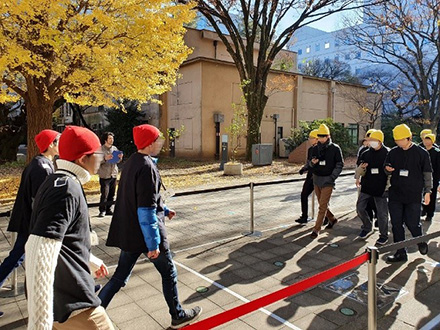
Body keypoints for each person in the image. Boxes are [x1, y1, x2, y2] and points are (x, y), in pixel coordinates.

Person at [98, 124, 202, 329]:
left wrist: (165, 208)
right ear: (149, 143)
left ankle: (94, 312)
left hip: (131, 232)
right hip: (145, 235)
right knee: (169, 272)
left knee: (119, 277)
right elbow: (145, 210)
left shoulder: (131, 163)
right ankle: (178, 315)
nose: (160, 144)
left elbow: (144, 199)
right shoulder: (146, 167)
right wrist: (153, 244)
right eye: (157, 140)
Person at [25, 126, 113, 329]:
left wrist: (88, 259)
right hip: (72, 301)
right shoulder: (65, 188)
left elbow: (59, 238)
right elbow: (38, 249)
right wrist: (40, 324)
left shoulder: (58, 181)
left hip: (62, 300)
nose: (101, 158)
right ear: (83, 159)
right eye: (98, 154)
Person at [0, 129, 59, 289]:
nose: (60, 144)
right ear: (50, 144)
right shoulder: (42, 168)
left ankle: (79, 288)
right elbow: (39, 200)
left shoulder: (39, 163)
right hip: (32, 223)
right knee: (19, 258)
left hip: (29, 221)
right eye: (57, 140)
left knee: (18, 257)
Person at [384, 124, 431, 262]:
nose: (398, 143)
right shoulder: (393, 152)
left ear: (409, 138)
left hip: (413, 194)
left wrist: (428, 192)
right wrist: (387, 169)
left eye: (401, 140)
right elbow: (386, 167)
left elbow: (427, 174)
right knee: (396, 224)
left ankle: (420, 241)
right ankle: (400, 252)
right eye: (396, 141)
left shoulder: (422, 153)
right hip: (396, 194)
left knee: (412, 223)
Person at [309, 123, 344, 239]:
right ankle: (332, 219)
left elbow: (340, 164)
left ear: (328, 136)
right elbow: (309, 163)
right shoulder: (314, 148)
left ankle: (316, 228)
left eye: (323, 136)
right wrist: (312, 163)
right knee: (321, 204)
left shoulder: (335, 148)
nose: (321, 138)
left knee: (322, 205)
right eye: (319, 136)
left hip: (328, 180)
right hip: (317, 179)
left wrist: (332, 177)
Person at [355, 130, 390, 245]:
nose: (370, 142)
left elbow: (391, 172)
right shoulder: (366, 153)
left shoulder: (388, 153)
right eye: (370, 140)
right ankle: (366, 226)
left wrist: (388, 186)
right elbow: (359, 169)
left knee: (382, 213)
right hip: (367, 186)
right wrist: (361, 170)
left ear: (380, 141)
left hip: (381, 188)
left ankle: (383, 235)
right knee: (360, 207)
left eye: (373, 140)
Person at [296, 129, 319, 224]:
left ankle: (327, 217)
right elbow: (309, 162)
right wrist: (304, 169)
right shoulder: (310, 150)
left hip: (317, 176)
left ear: (317, 139)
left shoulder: (320, 149)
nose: (309, 139)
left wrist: (308, 166)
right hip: (310, 176)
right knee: (304, 195)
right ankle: (304, 216)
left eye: (311, 138)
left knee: (322, 199)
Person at [98, 132, 123, 217]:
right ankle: (102, 210)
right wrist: (104, 158)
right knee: (104, 193)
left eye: (112, 138)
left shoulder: (114, 148)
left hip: (113, 174)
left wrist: (119, 158)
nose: (112, 140)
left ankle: (109, 209)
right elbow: (97, 161)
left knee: (112, 193)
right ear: (105, 140)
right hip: (104, 174)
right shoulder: (101, 149)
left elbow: (117, 161)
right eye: (110, 138)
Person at [421, 133, 440, 221]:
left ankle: (430, 213)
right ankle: (423, 210)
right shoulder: (421, 151)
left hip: (434, 178)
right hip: (422, 177)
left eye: (428, 139)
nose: (426, 141)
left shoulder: (436, 152)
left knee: (432, 195)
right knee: (422, 194)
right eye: (425, 139)